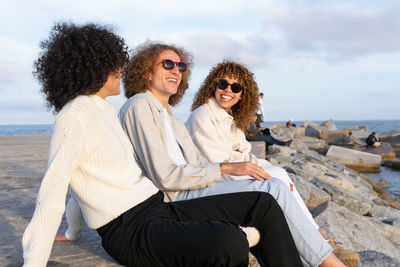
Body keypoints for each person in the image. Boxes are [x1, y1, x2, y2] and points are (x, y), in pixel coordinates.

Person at [22, 23, 303, 267]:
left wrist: (74, 229)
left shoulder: (103, 108)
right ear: (92, 66)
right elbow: (53, 192)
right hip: (128, 231)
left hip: (156, 207)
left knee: (263, 203)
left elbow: (83, 178)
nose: (121, 69)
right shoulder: (73, 117)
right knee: (230, 242)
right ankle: (238, 235)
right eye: (113, 62)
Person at [118, 42, 347, 267]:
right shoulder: (139, 106)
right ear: (147, 72)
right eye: (167, 64)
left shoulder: (169, 117)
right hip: (175, 199)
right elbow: (164, 176)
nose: (176, 70)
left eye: (181, 66)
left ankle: (320, 256)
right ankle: (329, 262)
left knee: (274, 188)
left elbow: (198, 163)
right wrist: (227, 167)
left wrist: (234, 167)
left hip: (194, 190)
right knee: (269, 191)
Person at [186, 61, 360, 267]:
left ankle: (319, 240)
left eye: (236, 87)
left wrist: (278, 176)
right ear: (213, 85)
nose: (228, 91)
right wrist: (270, 177)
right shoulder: (203, 117)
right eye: (223, 84)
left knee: (280, 175)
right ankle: (323, 251)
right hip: (210, 186)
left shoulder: (228, 119)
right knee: (275, 183)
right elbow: (221, 168)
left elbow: (247, 157)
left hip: (228, 178)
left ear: (243, 94)